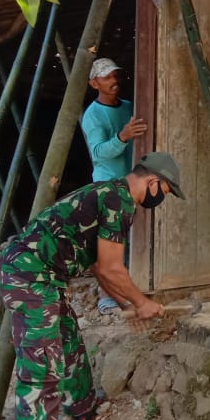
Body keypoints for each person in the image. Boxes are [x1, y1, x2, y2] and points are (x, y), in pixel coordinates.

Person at [0, 152, 183, 420]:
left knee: (69, 342)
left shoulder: (109, 193)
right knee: (43, 365)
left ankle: (82, 412)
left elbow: (98, 266)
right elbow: (111, 268)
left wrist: (125, 304)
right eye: (166, 191)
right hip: (28, 275)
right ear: (154, 181)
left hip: (45, 277)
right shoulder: (118, 201)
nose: (162, 199)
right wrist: (142, 303)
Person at [81, 57, 146, 314]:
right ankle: (108, 297)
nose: (113, 80)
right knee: (111, 243)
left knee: (131, 239)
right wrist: (123, 136)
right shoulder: (93, 115)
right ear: (94, 83)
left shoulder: (129, 107)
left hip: (132, 184)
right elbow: (97, 153)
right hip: (107, 186)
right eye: (107, 77)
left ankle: (128, 290)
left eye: (115, 75)